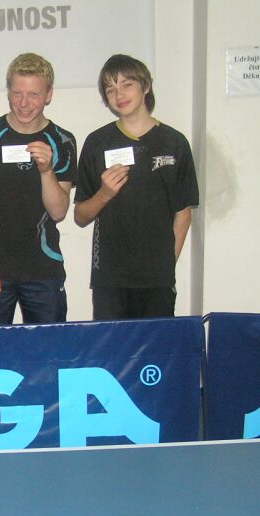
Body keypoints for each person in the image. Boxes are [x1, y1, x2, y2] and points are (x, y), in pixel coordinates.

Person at [74, 54, 199, 320]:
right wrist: (104, 194)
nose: (119, 94)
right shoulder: (97, 142)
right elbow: (80, 216)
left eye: (126, 84)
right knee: (113, 346)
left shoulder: (174, 142)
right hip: (110, 279)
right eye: (110, 89)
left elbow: (183, 213)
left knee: (156, 346)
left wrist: (166, 266)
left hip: (157, 280)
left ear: (146, 86)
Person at [0, 53, 76, 326]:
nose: (24, 103)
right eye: (17, 93)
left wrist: (46, 170)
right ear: (8, 92)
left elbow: (59, 211)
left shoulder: (62, 141)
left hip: (43, 270)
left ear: (49, 95)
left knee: (48, 350)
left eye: (33, 95)